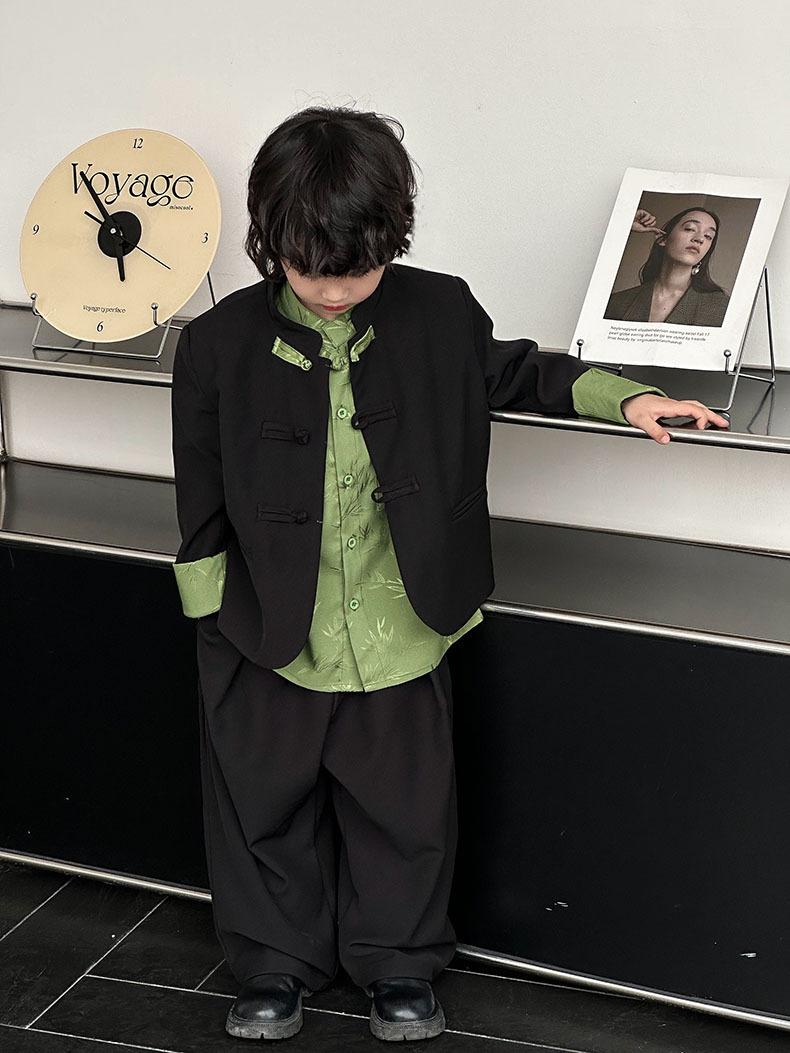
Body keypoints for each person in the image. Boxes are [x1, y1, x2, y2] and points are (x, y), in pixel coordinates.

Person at [170, 107, 729, 1043]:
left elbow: (521, 372)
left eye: (356, 269)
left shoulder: (439, 311)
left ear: (393, 236)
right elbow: (198, 486)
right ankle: (273, 961)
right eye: (309, 268)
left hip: (405, 617)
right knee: (260, 804)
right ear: (270, 238)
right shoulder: (217, 342)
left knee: (404, 809)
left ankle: (399, 961)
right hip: (264, 622)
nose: (334, 290)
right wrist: (211, 617)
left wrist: (628, 395)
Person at [604, 206, 730, 326]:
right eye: (690, 229)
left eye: (708, 236)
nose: (699, 239)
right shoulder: (616, 303)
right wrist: (623, 223)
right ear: (663, 239)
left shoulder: (721, 308)